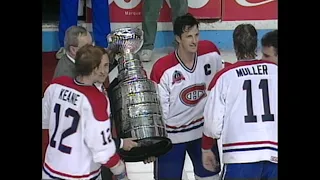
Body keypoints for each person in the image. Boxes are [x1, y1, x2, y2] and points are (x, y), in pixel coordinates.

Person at [150, 13, 223, 180]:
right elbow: (159, 112)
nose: (194, 41)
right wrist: (154, 142)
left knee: (211, 178)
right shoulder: (163, 69)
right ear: (178, 38)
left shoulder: (211, 52)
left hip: (203, 134)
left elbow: (220, 88)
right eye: (188, 36)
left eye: (197, 35)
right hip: (172, 138)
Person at [42, 45, 131, 180]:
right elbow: (102, 150)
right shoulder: (96, 100)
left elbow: (45, 125)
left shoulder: (56, 85)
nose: (106, 71)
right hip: (81, 174)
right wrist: (120, 170)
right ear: (96, 69)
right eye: (105, 65)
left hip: (50, 170)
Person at [201, 24, 278, 180]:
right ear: (256, 46)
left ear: (235, 47)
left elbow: (213, 126)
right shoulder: (275, 70)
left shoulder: (223, 77)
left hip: (240, 159)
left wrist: (206, 148)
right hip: (274, 156)